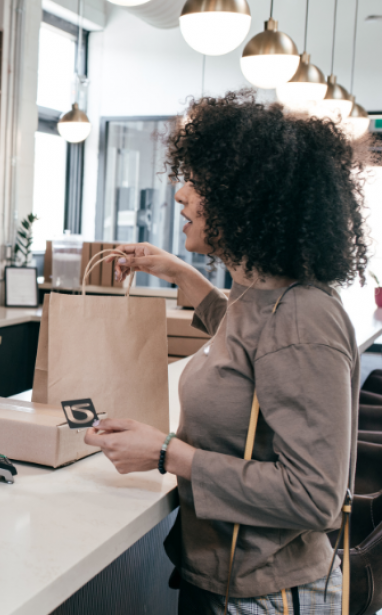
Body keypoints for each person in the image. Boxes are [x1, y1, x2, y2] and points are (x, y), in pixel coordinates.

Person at [84, 91, 371, 613]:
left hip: (271, 596)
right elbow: (246, 346)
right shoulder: (263, 296)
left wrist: (168, 453)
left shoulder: (302, 318)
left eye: (198, 183)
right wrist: (177, 272)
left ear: (245, 198)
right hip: (231, 580)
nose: (180, 195)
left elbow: (315, 496)